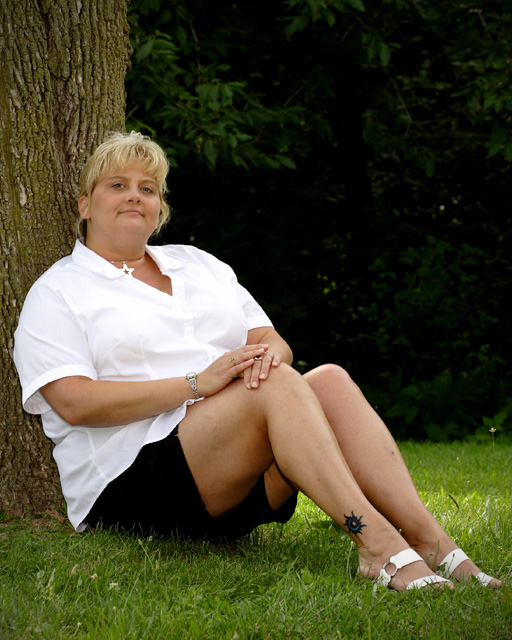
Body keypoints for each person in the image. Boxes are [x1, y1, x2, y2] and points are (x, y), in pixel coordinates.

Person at [13, 131, 501, 592]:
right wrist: (198, 383)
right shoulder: (59, 291)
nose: (134, 197)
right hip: (130, 481)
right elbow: (73, 402)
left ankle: (431, 541)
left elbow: (271, 341)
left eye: (148, 188)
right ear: (85, 205)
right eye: (117, 185)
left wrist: (261, 366)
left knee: (328, 379)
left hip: (238, 471)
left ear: (160, 208)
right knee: (276, 384)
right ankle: (377, 545)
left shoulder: (198, 264)